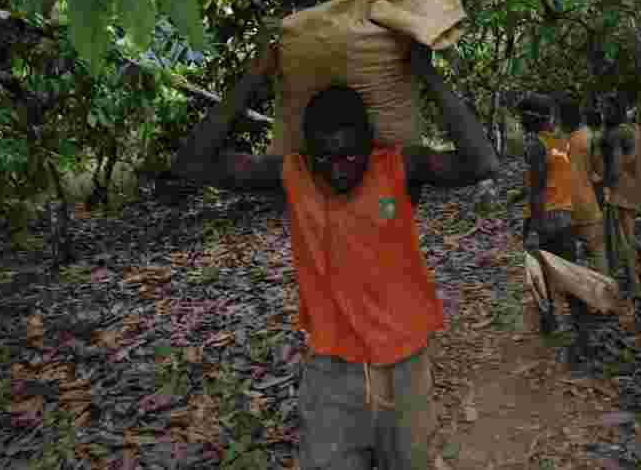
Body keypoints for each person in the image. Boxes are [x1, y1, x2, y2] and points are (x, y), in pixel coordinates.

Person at [171, 34, 499, 470]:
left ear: (369, 143)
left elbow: (482, 163)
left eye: (350, 154)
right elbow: (191, 163)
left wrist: (426, 73)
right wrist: (255, 74)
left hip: (404, 368)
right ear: (309, 151)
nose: (338, 167)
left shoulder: (399, 168)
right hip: (331, 371)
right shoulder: (293, 175)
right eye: (326, 156)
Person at [518, 94, 590, 369]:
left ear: (531, 119)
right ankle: (582, 334)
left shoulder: (535, 145)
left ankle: (550, 324)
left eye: (523, 116)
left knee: (540, 273)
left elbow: (538, 190)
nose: (520, 121)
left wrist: (534, 228)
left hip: (544, 218)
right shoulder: (560, 141)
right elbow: (553, 178)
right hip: (564, 216)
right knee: (569, 274)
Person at [600, 95, 641, 303]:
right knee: (624, 235)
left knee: (623, 237)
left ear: (618, 110)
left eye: (608, 110)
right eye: (603, 109)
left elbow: (617, 165)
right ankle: (640, 267)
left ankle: (635, 283)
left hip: (620, 190)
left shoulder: (619, 133)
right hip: (631, 188)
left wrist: (607, 187)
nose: (605, 113)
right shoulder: (632, 130)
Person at [560, 97, 607, 275]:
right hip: (576, 206)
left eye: (561, 117)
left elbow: (600, 175)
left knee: (595, 250)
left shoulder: (584, 139)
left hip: (580, 205)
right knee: (593, 252)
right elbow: (600, 174)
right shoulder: (579, 138)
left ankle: (604, 291)